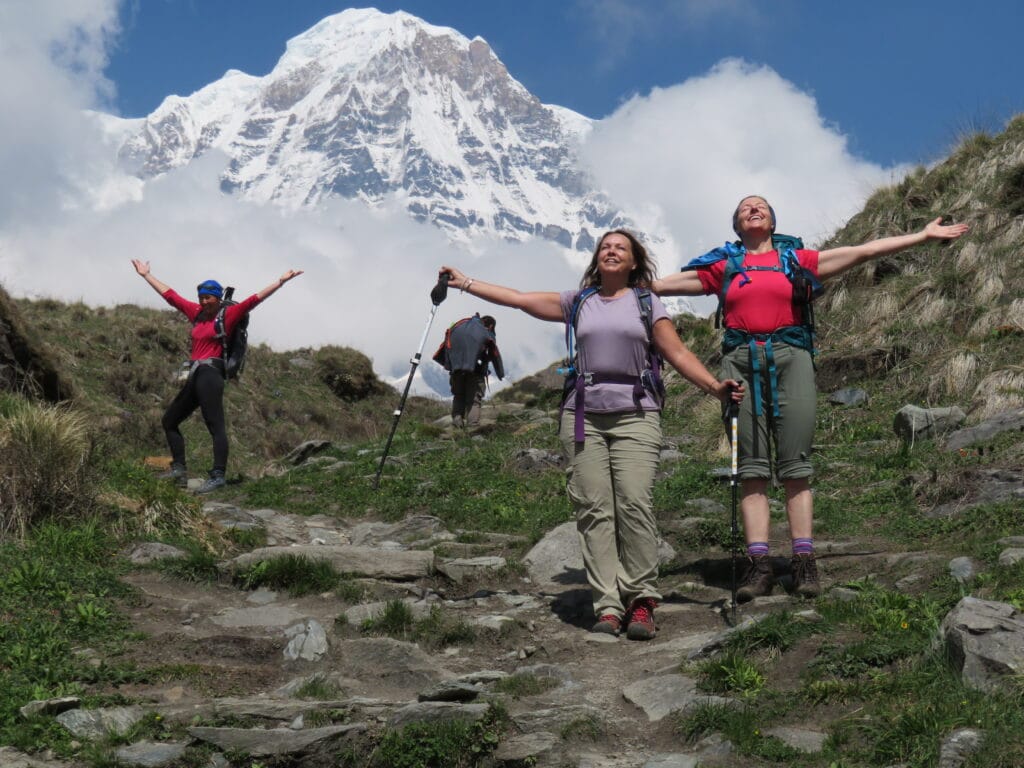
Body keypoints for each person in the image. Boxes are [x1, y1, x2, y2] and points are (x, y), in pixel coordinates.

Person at [655, 195, 969, 602]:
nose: (754, 209)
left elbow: (863, 251)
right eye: (745, 208)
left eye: (761, 206)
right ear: (736, 225)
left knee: (795, 464)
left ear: (772, 222)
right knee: (750, 467)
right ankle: (758, 565)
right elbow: (657, 285)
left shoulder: (796, 260)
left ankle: (804, 561)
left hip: (793, 359)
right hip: (739, 364)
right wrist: (611, 281)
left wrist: (922, 236)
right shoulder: (724, 267)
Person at [441, 230, 743, 640]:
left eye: (620, 247)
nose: (611, 251)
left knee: (634, 503)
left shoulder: (646, 302)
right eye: (605, 247)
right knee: (594, 508)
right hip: (582, 415)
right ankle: (608, 605)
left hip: (637, 413)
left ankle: (641, 600)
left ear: (634, 262)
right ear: (597, 259)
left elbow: (678, 353)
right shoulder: (578, 301)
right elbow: (519, 298)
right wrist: (465, 283)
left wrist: (714, 388)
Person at [131, 260, 304, 493]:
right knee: (169, 421)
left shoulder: (228, 315)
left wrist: (280, 282)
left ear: (218, 298)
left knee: (215, 425)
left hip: (211, 374)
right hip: (195, 374)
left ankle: (218, 475)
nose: (204, 302)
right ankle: (179, 469)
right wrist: (146, 275)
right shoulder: (197, 313)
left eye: (208, 298)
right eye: (201, 297)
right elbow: (171, 296)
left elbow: (254, 300)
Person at [433, 313, 504, 428]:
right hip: (475, 371)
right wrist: (500, 373)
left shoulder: (459, 326)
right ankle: (473, 427)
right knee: (474, 400)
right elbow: (494, 353)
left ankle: (457, 424)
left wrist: (449, 365)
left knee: (458, 396)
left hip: (456, 370)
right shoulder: (485, 332)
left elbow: (445, 346)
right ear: (491, 326)